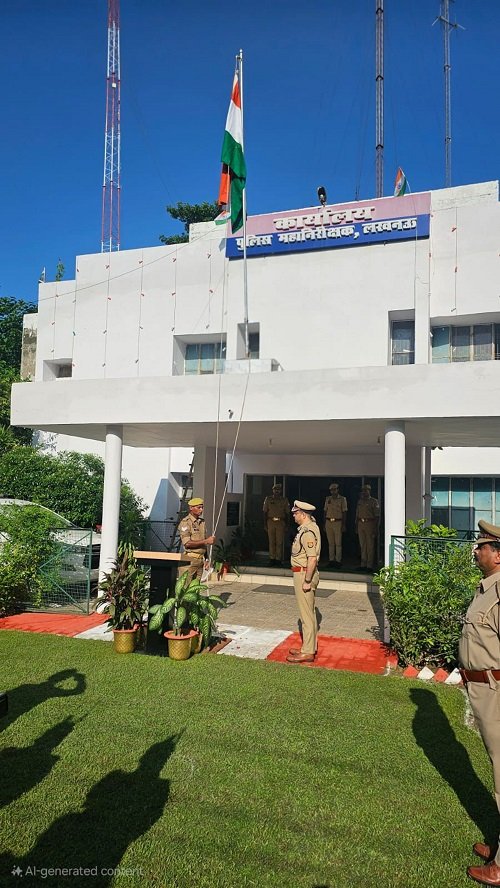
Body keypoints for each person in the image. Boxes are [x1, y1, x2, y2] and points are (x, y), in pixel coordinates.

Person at [459, 520, 500, 886]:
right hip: (484, 690)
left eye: (482, 546)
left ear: (498, 555)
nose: (476, 550)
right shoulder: (487, 588)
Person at [286, 500, 321, 664]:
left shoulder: (307, 532)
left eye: (295, 513)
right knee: (309, 613)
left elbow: (312, 559)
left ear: (303, 514)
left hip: (304, 574)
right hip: (302, 573)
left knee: (306, 615)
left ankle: (307, 652)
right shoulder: (308, 528)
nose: (293, 516)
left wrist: (307, 580)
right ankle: (308, 646)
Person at [177, 497, 215, 582]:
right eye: (198, 507)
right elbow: (187, 543)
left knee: (195, 589)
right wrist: (206, 541)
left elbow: (203, 543)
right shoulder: (186, 522)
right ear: (191, 508)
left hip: (200, 560)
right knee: (185, 589)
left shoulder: (202, 522)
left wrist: (207, 559)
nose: (201, 510)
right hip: (189, 560)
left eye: (202, 507)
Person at [263, 483, 290, 566]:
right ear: (273, 490)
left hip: (280, 522)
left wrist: (287, 525)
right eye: (275, 489)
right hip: (270, 521)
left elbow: (287, 513)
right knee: (271, 541)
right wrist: (265, 524)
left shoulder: (284, 500)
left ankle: (278, 559)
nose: (277, 491)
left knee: (279, 542)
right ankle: (272, 559)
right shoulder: (268, 499)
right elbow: (264, 512)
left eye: (278, 490)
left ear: (281, 491)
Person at [355, 484, 380, 571]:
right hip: (361, 523)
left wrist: (375, 528)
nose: (364, 492)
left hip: (370, 523)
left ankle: (369, 565)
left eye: (366, 490)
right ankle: (363, 564)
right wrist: (356, 525)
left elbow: (377, 516)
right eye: (363, 490)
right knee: (362, 545)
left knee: (370, 545)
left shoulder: (374, 501)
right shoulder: (360, 501)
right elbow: (357, 514)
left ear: (369, 491)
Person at [324, 482, 347, 567]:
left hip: (338, 522)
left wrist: (344, 524)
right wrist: (324, 523)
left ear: (337, 490)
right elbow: (325, 511)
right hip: (328, 521)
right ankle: (331, 560)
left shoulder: (342, 499)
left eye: (334, 489)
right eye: (331, 490)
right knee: (330, 543)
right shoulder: (328, 499)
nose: (333, 491)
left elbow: (344, 512)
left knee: (338, 543)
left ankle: (338, 561)